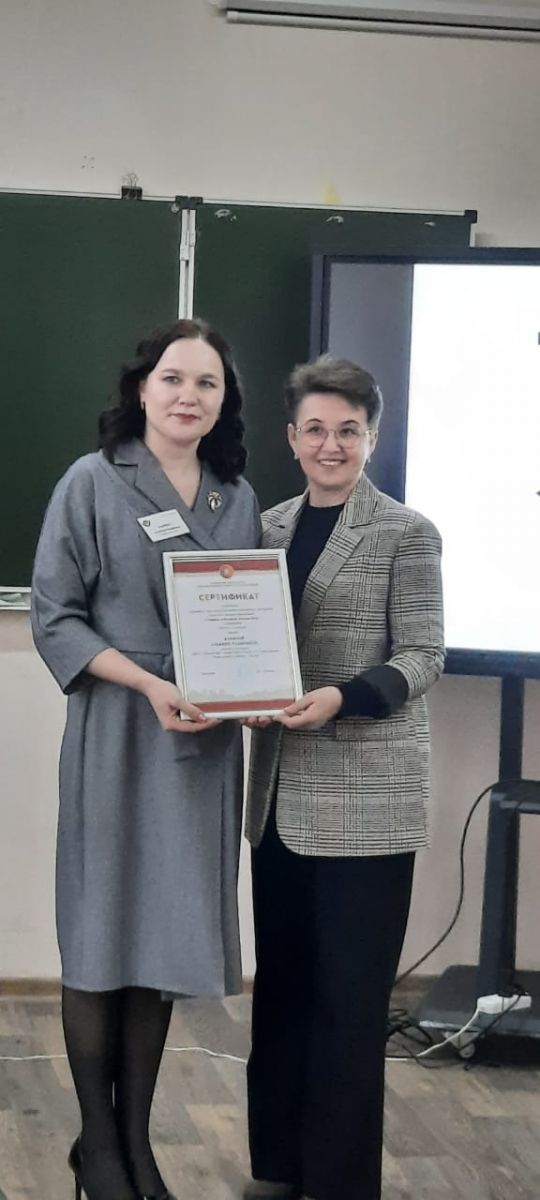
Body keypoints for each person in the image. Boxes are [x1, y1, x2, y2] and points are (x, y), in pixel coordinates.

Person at [31, 318, 260, 1200]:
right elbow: (56, 617)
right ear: (141, 388)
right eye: (173, 378)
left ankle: (134, 1143)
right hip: (120, 731)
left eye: (207, 383)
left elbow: (247, 621)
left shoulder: (236, 496)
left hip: (201, 743)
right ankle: (97, 1144)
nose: (187, 396)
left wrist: (248, 691)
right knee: (102, 935)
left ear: (223, 402)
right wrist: (148, 684)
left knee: (160, 939)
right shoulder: (91, 481)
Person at [243, 356, 445, 1200]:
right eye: (317, 429)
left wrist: (342, 698)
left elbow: (423, 656)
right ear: (292, 438)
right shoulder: (265, 528)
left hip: (368, 801)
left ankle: (339, 1184)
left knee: (350, 1007)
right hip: (278, 798)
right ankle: (277, 1167)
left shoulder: (407, 531)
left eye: (349, 431)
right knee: (282, 994)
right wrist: (239, 696)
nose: (332, 445)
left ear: (372, 437)